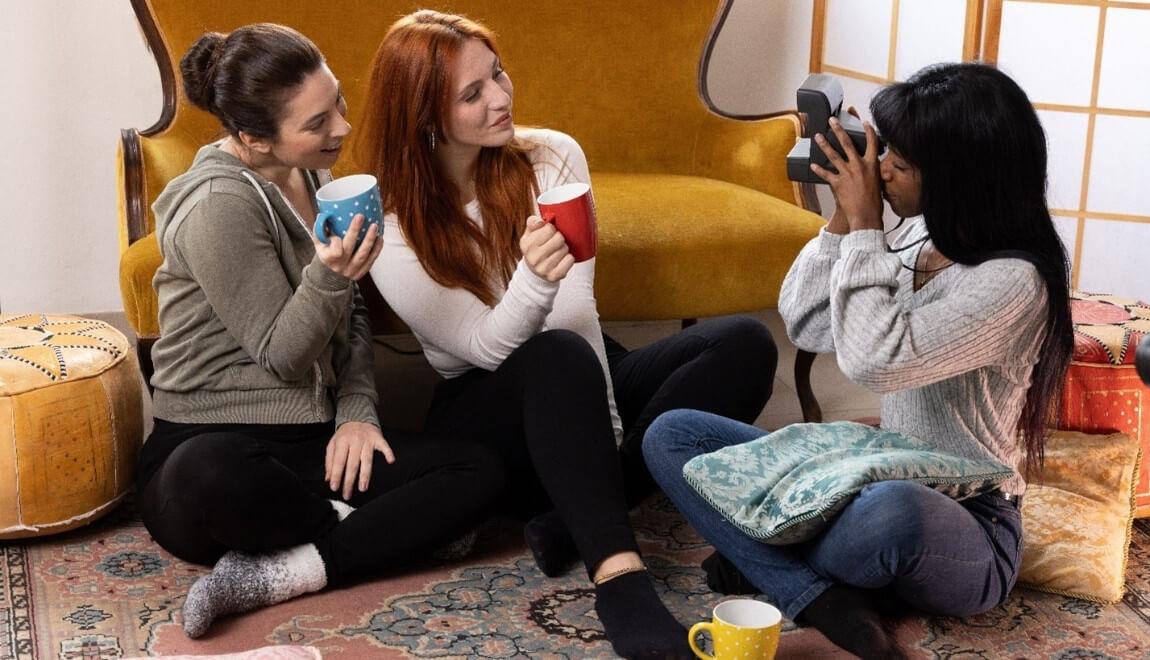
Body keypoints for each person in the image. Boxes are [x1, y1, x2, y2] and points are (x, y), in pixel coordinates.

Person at [357, 10, 777, 658]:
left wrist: (603, 438)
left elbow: (579, 316)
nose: (500, 97)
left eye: (496, 73)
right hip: (490, 406)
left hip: (584, 370)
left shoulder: (551, 155)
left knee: (742, 344)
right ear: (424, 119)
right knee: (554, 356)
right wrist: (533, 275)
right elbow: (490, 346)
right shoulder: (392, 227)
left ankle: (589, 504)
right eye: (473, 94)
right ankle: (621, 581)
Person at [643, 62, 1073, 659]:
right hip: (869, 472)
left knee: (888, 516)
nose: (883, 165)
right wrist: (844, 222)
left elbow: (876, 362)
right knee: (674, 435)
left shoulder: (1014, 282)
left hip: (964, 517)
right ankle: (820, 598)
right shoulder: (918, 242)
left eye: (901, 157)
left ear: (958, 174)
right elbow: (807, 322)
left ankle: (768, 558)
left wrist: (868, 225)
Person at [136, 23, 504, 639]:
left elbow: (351, 315)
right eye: (316, 123)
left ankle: (290, 568)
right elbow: (283, 356)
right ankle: (375, 531)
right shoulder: (215, 206)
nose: (341, 127)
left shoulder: (314, 178)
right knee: (210, 470)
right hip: (216, 448)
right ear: (252, 137)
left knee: (481, 471)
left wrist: (357, 411)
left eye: (336, 101)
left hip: (311, 445)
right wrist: (333, 277)